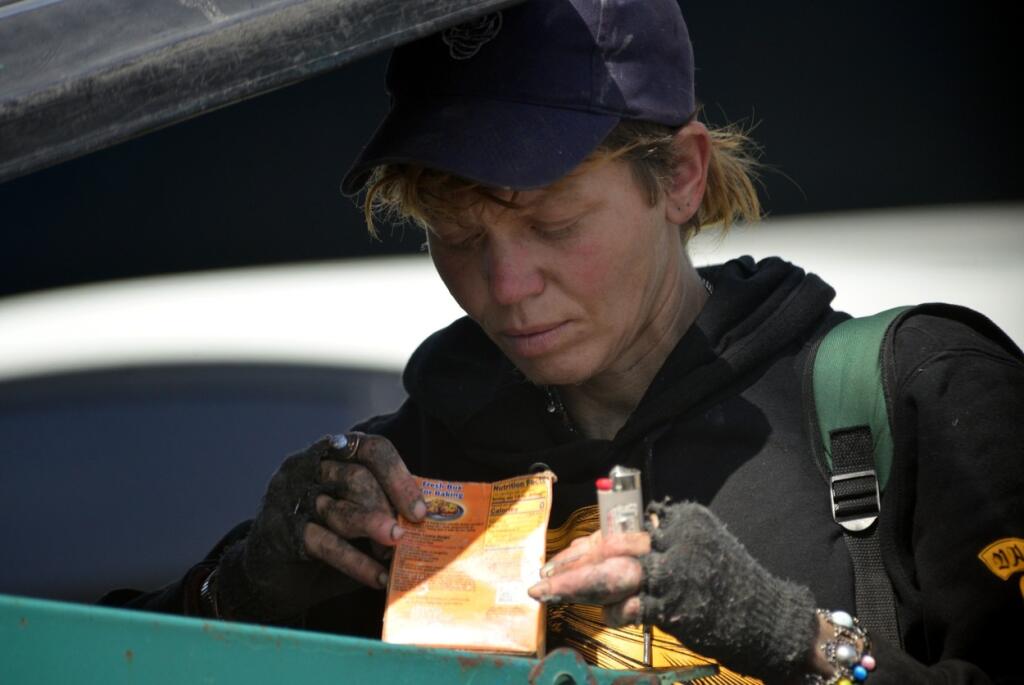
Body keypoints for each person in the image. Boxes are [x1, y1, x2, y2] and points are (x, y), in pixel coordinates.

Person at [101, 1, 1024, 683]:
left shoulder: (920, 395)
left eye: (550, 223)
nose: (504, 288)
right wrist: (247, 590)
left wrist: (794, 639)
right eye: (457, 236)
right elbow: (92, 659)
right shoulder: (415, 478)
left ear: (681, 177)